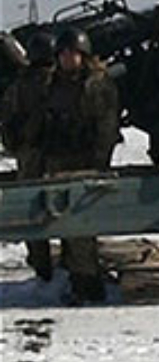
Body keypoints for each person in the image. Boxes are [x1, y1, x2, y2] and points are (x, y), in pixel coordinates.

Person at [40, 28, 122, 303]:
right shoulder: (53, 83)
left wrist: (98, 164)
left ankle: (88, 285)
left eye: (72, 53)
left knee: (82, 228)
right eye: (62, 53)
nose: (66, 58)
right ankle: (76, 275)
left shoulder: (96, 84)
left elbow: (106, 127)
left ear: (83, 55)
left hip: (84, 162)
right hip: (59, 160)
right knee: (65, 224)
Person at [0, 31, 56, 281]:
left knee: (33, 213)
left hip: (29, 155)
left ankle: (43, 269)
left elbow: (8, 123)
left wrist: (17, 146)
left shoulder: (18, 87)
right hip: (59, 155)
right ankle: (75, 269)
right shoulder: (60, 82)